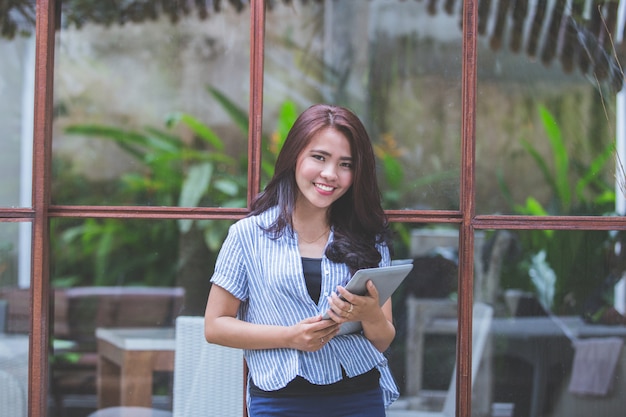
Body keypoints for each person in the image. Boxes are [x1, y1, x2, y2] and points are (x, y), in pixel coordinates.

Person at [204, 104, 399, 417]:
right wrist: (290, 337)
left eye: (345, 164)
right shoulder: (248, 236)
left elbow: (382, 339)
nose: (330, 174)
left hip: (359, 396)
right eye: (319, 157)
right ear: (295, 156)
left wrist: (370, 313)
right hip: (280, 400)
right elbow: (215, 326)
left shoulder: (369, 238)